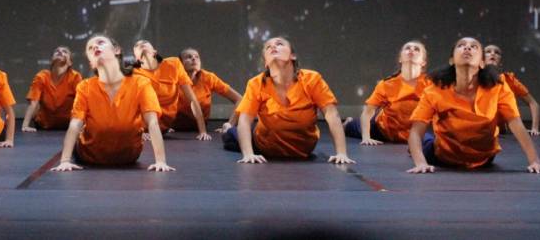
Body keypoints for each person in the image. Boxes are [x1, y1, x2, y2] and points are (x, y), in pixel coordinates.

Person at [407, 36, 540, 174]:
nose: (467, 48)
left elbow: (515, 123)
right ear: (452, 60)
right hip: (443, 156)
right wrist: (421, 163)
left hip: (483, 159)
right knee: (425, 140)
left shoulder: (498, 88)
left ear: (482, 63)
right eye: (461, 45)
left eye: (474, 47)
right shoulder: (434, 90)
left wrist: (534, 161)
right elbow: (416, 131)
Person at [50, 34, 173, 172]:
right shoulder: (85, 87)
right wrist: (65, 161)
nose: (95, 47)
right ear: (91, 63)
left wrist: (160, 161)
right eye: (90, 48)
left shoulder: (141, 83)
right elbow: (75, 124)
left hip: (128, 156)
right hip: (90, 156)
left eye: (100, 42)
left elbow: (152, 122)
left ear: (117, 50)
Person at [225, 36, 353, 165]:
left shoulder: (312, 79)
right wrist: (248, 154)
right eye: (268, 47)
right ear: (265, 62)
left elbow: (331, 114)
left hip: (302, 149)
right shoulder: (256, 83)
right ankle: (228, 128)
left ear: (293, 55)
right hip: (264, 146)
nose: (273, 47)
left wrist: (341, 153)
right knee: (231, 134)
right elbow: (245, 120)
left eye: (279, 44)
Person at [343, 40, 430, 145]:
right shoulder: (387, 84)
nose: (411, 50)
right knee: (352, 127)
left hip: (412, 133)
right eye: (407, 48)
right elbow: (367, 113)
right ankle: (349, 122)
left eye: (416, 49)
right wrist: (366, 137)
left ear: (423, 62)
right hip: (382, 130)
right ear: (400, 59)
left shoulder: (430, 85)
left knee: (430, 142)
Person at [131, 39, 210, 140]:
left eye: (144, 44)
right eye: (138, 46)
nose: (141, 44)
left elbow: (192, 100)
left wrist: (203, 131)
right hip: (143, 127)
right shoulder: (133, 74)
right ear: (137, 58)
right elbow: (129, 106)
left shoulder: (173, 64)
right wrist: (138, 131)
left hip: (164, 124)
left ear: (154, 52)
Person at [173, 47, 242, 133]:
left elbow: (239, 99)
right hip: (174, 128)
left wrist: (229, 125)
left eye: (197, 57)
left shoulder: (208, 78)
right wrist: (164, 126)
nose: (194, 58)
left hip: (200, 128)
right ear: (180, 63)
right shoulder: (173, 78)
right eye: (189, 57)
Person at [484, 44, 540, 136]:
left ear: (501, 62)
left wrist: (535, 129)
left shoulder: (509, 80)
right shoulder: (473, 79)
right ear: (481, 60)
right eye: (488, 52)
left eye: (497, 52)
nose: (493, 54)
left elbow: (533, 103)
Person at [22, 46, 83, 131]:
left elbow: (81, 103)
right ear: (51, 60)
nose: (60, 52)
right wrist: (25, 126)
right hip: (43, 126)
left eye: (65, 51)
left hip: (67, 126)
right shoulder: (42, 76)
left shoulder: (75, 77)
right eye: (57, 51)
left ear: (70, 62)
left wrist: (81, 126)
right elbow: (33, 102)